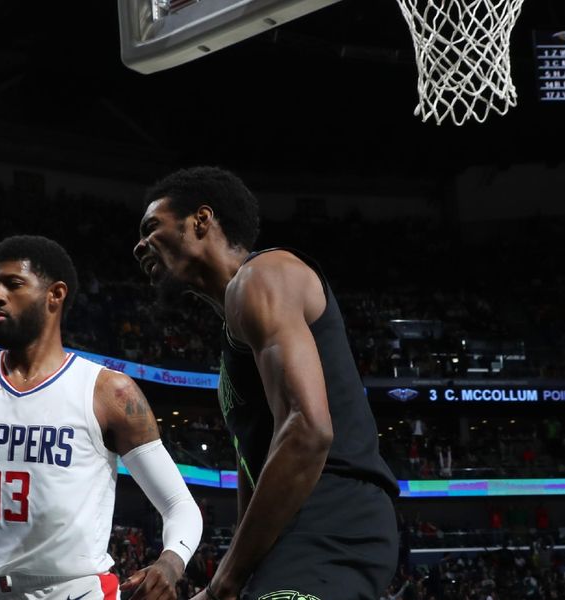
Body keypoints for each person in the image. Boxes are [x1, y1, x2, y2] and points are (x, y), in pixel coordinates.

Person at [133, 166, 400, 600]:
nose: (138, 245)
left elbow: (309, 431)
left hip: (333, 513)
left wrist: (225, 581)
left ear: (201, 220)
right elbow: (252, 466)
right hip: (296, 529)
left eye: (151, 227)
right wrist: (232, 575)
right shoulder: (233, 333)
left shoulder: (263, 276)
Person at [0, 235, 202, 600]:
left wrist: (170, 563)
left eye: (12, 284)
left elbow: (179, 505)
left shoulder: (109, 392)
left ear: (55, 295)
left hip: (78, 592)